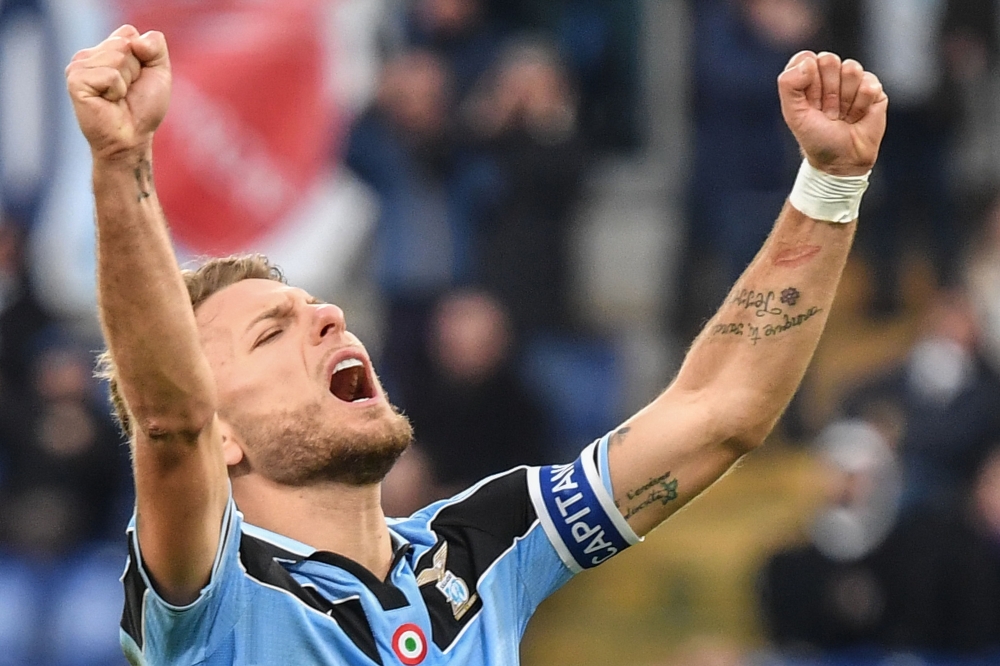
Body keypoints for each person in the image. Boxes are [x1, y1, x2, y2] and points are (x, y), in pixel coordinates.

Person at [64, 24, 886, 666]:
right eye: (272, 332)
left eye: (317, 307)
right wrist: (120, 160)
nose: (329, 319)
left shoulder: (483, 546)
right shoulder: (212, 594)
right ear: (225, 436)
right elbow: (171, 419)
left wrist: (830, 184)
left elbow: (719, 412)